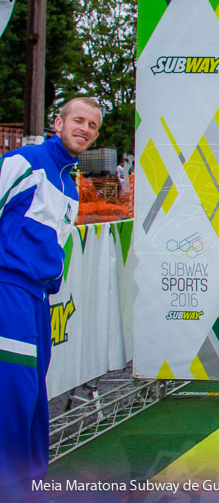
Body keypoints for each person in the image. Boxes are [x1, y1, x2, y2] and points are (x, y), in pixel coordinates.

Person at [0, 97, 102, 494]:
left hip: (39, 300)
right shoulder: (25, 162)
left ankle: (29, 484)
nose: (85, 129)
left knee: (34, 396)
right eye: (78, 120)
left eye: (93, 126)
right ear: (57, 122)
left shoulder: (69, 185)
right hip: (9, 290)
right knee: (14, 392)